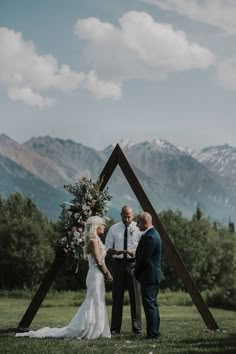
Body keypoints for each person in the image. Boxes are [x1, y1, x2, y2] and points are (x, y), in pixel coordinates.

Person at [16, 216, 113, 340]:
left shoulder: (97, 240)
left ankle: (97, 329)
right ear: (96, 227)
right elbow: (99, 262)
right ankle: (87, 329)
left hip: (98, 275)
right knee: (93, 300)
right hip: (95, 275)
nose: (104, 227)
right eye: (102, 225)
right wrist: (108, 274)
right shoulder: (93, 241)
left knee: (98, 300)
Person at [105, 205, 142, 335]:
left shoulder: (139, 228)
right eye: (124, 216)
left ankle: (137, 328)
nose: (126, 219)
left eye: (129, 216)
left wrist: (137, 253)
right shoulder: (113, 229)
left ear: (133, 216)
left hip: (133, 264)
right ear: (120, 215)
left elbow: (143, 247)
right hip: (118, 264)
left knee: (135, 297)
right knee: (117, 296)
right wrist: (112, 251)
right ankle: (115, 328)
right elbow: (107, 248)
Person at [135, 212, 162, 340]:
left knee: (149, 305)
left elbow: (143, 259)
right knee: (153, 305)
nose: (136, 224)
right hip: (153, 275)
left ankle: (152, 334)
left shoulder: (150, 237)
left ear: (145, 223)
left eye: (138, 222)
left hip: (149, 276)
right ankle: (154, 331)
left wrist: (135, 272)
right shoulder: (153, 234)